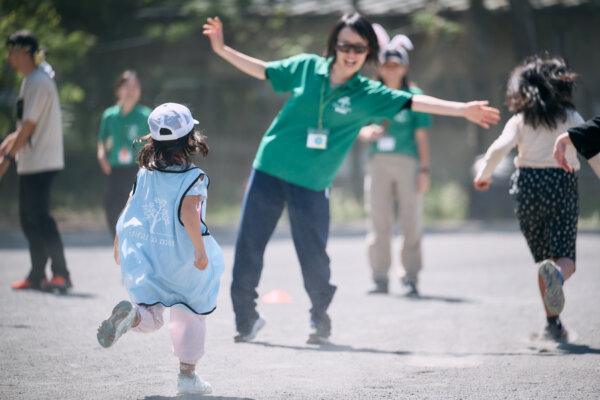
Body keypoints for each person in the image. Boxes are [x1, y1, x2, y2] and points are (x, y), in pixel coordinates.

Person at [203, 13, 500, 345]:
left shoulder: (368, 93)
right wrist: (222, 49)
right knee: (249, 245)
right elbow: (263, 70)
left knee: (314, 256)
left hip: (312, 182)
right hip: (269, 168)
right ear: (334, 45)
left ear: (368, 51)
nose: (351, 52)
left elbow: (414, 101)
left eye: (359, 47)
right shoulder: (307, 67)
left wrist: (462, 109)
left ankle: (319, 319)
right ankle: (245, 318)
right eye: (345, 45)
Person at [96, 103, 224, 395]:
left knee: (150, 311)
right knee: (190, 312)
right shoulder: (193, 177)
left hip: (153, 257)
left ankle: (133, 316)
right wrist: (200, 250)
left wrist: (119, 241)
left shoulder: (145, 173)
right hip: (183, 262)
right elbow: (189, 212)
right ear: (189, 138)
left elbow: (130, 209)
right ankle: (187, 376)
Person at [473, 54, 583, 341]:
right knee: (564, 260)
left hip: (527, 189)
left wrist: (484, 175)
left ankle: (552, 324)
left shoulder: (521, 119)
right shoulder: (571, 117)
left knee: (545, 262)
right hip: (561, 184)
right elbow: (592, 147)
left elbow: (499, 148)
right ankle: (558, 278)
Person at [358, 24, 431, 296]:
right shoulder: (370, 95)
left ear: (404, 67)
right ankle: (379, 278)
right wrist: (367, 132)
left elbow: (421, 136)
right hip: (378, 163)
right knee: (379, 223)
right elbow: (357, 127)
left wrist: (424, 170)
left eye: (396, 65)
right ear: (378, 67)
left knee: (411, 222)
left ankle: (410, 277)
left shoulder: (415, 95)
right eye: (386, 65)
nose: (391, 70)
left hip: (408, 163)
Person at [0, 30, 72, 292]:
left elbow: (29, 126)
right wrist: (7, 144)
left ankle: (61, 274)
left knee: (40, 218)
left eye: (12, 52)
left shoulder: (39, 82)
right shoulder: (31, 80)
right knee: (28, 219)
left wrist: (7, 158)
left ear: (25, 52)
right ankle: (37, 274)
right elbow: (24, 125)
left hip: (42, 161)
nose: (9, 57)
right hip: (31, 162)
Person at [97, 71, 151, 238]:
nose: (131, 90)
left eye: (135, 87)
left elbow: (153, 143)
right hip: (115, 169)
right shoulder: (109, 115)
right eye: (127, 86)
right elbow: (102, 140)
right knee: (112, 206)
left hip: (137, 169)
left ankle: (134, 240)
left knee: (135, 207)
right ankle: (118, 240)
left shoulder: (146, 115)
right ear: (118, 90)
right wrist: (101, 156)